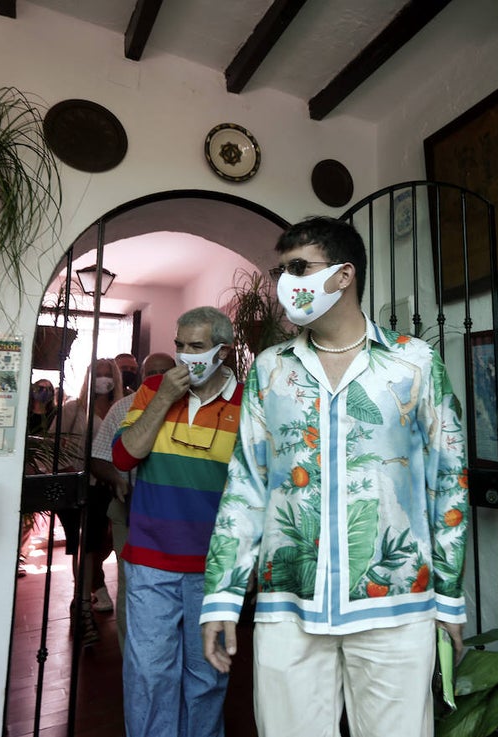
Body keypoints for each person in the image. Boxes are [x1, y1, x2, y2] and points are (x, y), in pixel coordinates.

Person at [200, 217, 470, 737]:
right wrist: (223, 595)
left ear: (345, 275)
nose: (285, 283)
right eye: (282, 270)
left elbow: (448, 480)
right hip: (289, 610)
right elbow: (246, 487)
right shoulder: (270, 369)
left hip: (396, 606)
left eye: (299, 267)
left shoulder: (414, 362)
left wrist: (449, 598)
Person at [112, 307, 242, 737]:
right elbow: (124, 455)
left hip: (213, 567)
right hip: (150, 560)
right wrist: (165, 398)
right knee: (149, 675)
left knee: (207, 677)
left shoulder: (248, 403)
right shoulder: (152, 389)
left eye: (197, 347)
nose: (186, 356)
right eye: (180, 346)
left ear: (223, 351)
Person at [89, 351, 176, 647]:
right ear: (141, 377)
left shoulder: (190, 409)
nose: (158, 378)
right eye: (152, 373)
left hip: (176, 516)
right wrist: (117, 480)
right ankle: (132, 655)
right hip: (130, 511)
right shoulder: (123, 408)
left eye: (166, 371)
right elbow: (98, 459)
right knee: (133, 585)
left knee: (172, 586)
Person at [53, 357, 126, 643]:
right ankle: (82, 604)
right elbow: (53, 448)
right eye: (99, 373)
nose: (104, 379)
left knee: (107, 542)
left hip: (116, 484)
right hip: (84, 486)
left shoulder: (124, 406)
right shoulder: (72, 410)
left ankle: (94, 586)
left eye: (109, 375)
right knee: (86, 545)